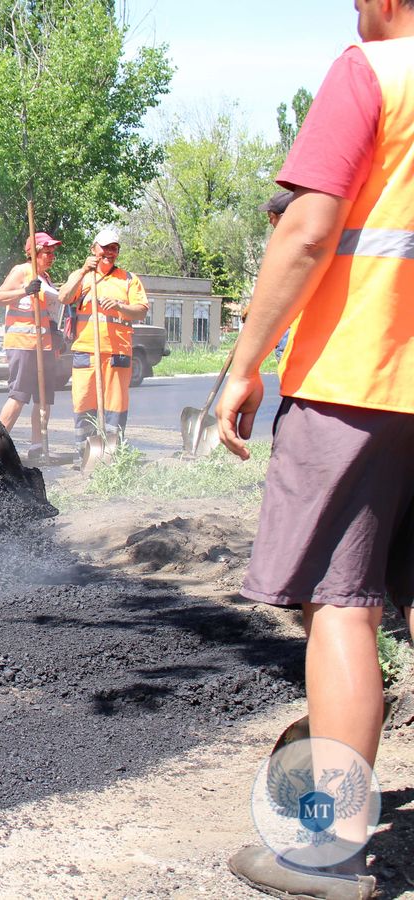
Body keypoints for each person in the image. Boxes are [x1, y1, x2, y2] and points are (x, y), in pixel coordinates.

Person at [217, 1, 414, 896]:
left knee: (342, 600)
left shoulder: (370, 72)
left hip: (360, 380)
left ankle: (324, 847)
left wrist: (244, 363)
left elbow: (306, 230)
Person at [59, 227, 148, 456]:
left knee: (115, 407)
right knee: (84, 404)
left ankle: (112, 454)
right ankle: (85, 454)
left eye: (114, 248)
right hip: (86, 351)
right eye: (105, 247)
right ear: (93, 249)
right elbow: (64, 297)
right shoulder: (82, 277)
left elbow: (141, 311)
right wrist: (82, 272)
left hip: (118, 351)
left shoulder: (129, 279)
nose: (109, 252)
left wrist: (120, 306)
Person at [0, 231, 63, 463]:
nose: (51, 256)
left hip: (44, 347)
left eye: (53, 252)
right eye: (46, 252)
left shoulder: (47, 279)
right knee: (19, 396)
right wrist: (25, 290)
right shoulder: (22, 271)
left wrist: (55, 333)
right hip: (23, 346)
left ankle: (37, 447)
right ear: (33, 252)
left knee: (43, 400)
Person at [258, 190, 296, 363]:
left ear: (283, 216)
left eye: (271, 216)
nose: (270, 221)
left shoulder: (290, 243)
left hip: (291, 326)